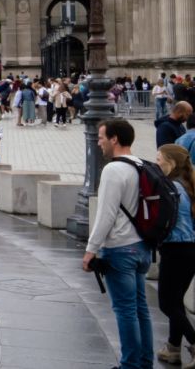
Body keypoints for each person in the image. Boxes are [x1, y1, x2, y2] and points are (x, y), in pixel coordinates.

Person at [83, 118, 153, 369]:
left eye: (101, 137)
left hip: (120, 247)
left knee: (125, 310)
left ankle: (130, 365)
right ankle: (145, 362)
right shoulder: (142, 164)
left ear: (114, 139)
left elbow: (106, 215)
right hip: (143, 248)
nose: (98, 142)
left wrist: (91, 249)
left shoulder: (113, 170)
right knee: (140, 309)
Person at [155, 144, 195, 366]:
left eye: (159, 159)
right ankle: (172, 348)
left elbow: (165, 221)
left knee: (167, 304)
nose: (156, 163)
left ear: (171, 163)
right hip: (190, 249)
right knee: (176, 301)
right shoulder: (188, 184)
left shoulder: (172, 188)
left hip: (175, 249)